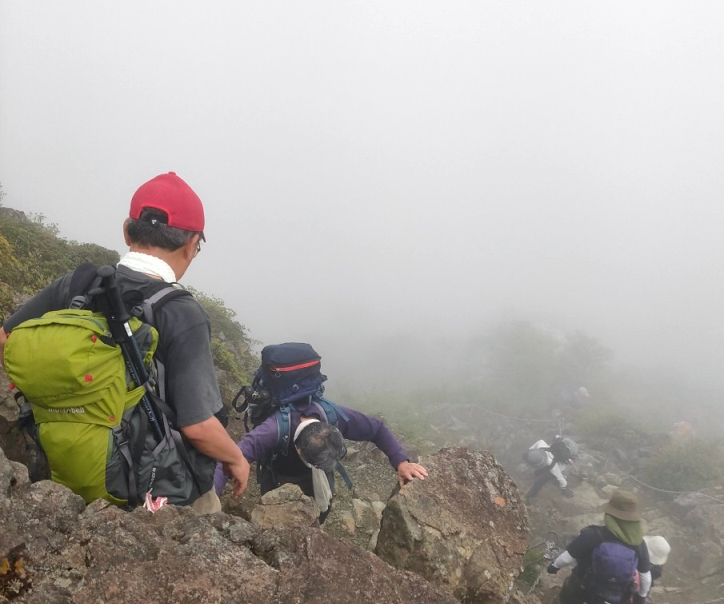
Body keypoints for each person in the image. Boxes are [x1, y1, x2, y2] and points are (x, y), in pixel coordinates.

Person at [0, 171, 249, 511]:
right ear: (192, 244)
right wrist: (236, 458)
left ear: (126, 231)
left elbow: (6, 340)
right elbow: (198, 426)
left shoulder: (77, 284)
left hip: (58, 468)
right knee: (206, 508)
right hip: (150, 492)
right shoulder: (183, 313)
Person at [214, 401, 428, 521]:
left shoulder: (334, 417)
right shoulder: (272, 431)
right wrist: (211, 495)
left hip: (311, 472)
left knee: (322, 508)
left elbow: (377, 429)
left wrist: (401, 462)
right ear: (298, 450)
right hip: (278, 471)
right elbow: (231, 457)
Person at [546, 489, 652, 604]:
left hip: (580, 582)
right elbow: (645, 576)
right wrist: (641, 597)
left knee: (564, 603)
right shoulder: (638, 544)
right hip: (608, 591)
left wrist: (553, 566)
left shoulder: (594, 534)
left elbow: (568, 556)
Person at [625, 534, 671, 604]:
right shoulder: (656, 569)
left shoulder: (635, 547)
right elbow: (647, 584)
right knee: (640, 602)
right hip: (641, 584)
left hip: (628, 577)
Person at [525, 436, 577, 500]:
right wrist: (529, 453)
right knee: (540, 473)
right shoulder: (540, 445)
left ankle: (530, 495)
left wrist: (564, 487)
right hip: (551, 455)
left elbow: (560, 477)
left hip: (560, 465)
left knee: (540, 481)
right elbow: (540, 441)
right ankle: (539, 473)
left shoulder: (553, 466)